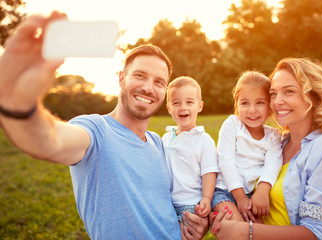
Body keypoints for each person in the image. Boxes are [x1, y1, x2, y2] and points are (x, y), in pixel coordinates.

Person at [0, 12, 208, 240]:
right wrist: (18, 104)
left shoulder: (159, 143)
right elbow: (49, 140)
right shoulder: (95, 130)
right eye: (139, 76)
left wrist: (185, 228)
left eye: (159, 82)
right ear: (121, 79)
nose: (149, 88)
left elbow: (160, 207)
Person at [211, 58, 322, 240]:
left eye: (289, 92)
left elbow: (317, 233)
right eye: (273, 94)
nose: (277, 101)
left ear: (313, 96)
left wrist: (245, 231)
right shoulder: (278, 143)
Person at [211, 71, 283, 223]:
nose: (252, 110)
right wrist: (240, 197)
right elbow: (226, 162)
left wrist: (263, 190)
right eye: (245, 103)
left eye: (260, 102)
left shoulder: (274, 136)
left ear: (269, 106)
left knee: (259, 231)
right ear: (236, 104)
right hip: (225, 193)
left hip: (253, 195)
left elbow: (273, 163)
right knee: (239, 229)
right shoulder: (232, 125)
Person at [162, 76, 218, 239]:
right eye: (176, 103)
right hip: (167, 203)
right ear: (168, 107)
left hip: (191, 205)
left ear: (199, 106)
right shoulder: (165, 138)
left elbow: (209, 172)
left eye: (189, 102)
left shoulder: (203, 139)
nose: (182, 107)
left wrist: (207, 199)